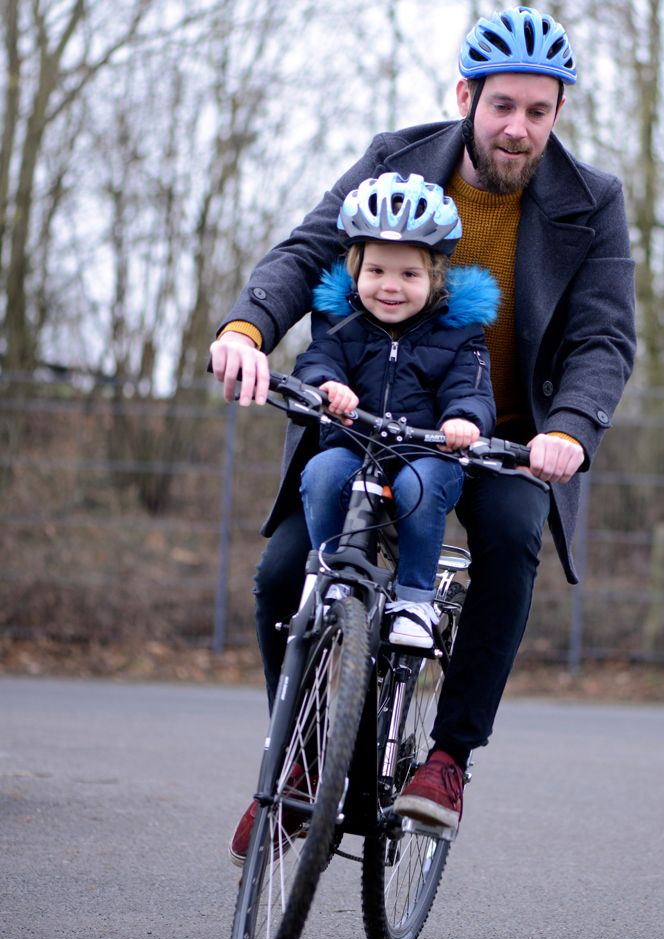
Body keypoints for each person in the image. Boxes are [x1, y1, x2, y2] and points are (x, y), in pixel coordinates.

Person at [210, 7, 636, 849]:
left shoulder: (593, 203)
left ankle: (447, 759)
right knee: (280, 572)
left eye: (539, 112)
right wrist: (245, 330)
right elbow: (305, 253)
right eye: (503, 106)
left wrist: (575, 430)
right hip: (368, 420)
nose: (519, 129)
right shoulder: (394, 160)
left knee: (513, 543)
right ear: (466, 96)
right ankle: (303, 758)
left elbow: (603, 336)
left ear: (558, 113)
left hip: (498, 437)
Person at [295, 172, 497, 649]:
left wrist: (463, 420)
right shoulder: (341, 320)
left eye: (409, 274)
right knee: (322, 472)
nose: (390, 287)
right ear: (355, 270)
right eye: (377, 271)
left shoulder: (459, 332)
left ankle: (414, 599)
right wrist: (326, 387)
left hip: (425, 454)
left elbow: (472, 386)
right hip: (355, 445)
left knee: (418, 486)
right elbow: (318, 359)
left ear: (435, 277)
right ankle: (334, 579)